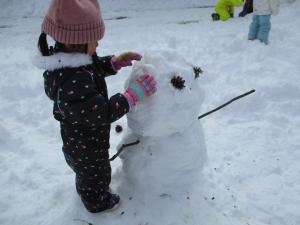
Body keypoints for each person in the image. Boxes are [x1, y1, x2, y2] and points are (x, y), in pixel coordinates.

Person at [36, 0, 156, 213]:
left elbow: (90, 66)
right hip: (87, 146)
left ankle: (86, 187)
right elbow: (103, 112)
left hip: (80, 140)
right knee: (96, 174)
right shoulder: (72, 80)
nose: (98, 45)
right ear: (76, 43)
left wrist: (112, 63)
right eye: (94, 40)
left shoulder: (69, 65)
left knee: (86, 174)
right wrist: (131, 96)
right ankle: (96, 202)